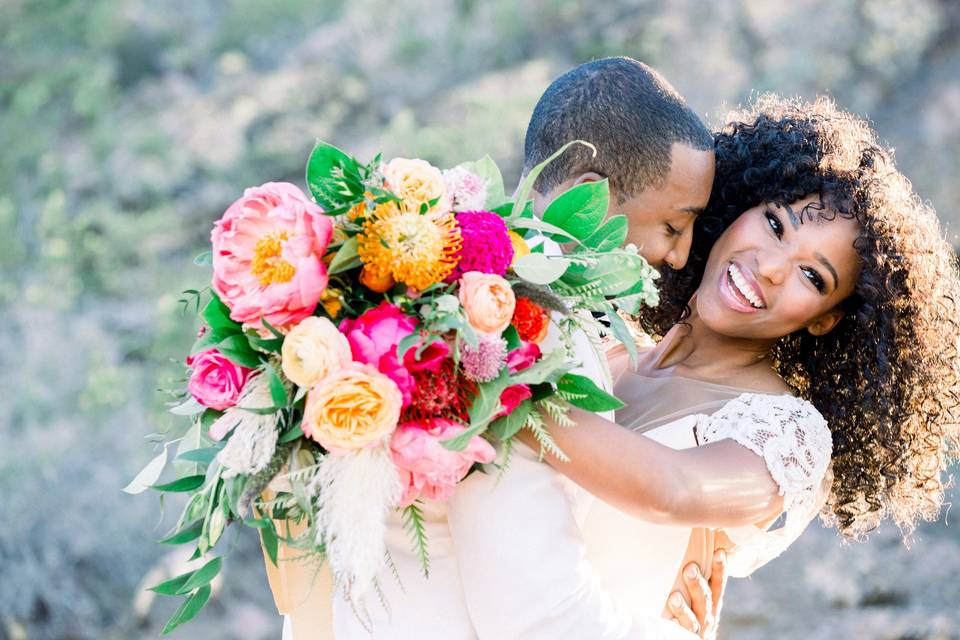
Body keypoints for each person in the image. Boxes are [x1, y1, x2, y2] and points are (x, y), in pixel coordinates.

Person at [273, 58, 722, 639]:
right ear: (592, 197)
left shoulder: (401, 301)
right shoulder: (535, 338)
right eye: (674, 225)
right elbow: (534, 618)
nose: (682, 255)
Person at [488, 94, 960, 637]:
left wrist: (485, 380)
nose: (773, 268)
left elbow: (673, 489)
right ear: (737, 208)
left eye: (814, 278)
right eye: (776, 225)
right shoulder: (606, 344)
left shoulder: (784, 432)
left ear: (826, 320)